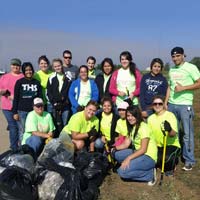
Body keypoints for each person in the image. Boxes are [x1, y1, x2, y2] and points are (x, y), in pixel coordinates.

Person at [165, 47, 200, 171]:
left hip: (185, 105)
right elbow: (170, 86)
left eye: (178, 56)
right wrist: (166, 102)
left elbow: (199, 82)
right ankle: (174, 156)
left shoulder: (191, 68)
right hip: (172, 105)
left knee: (187, 134)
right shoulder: (172, 69)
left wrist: (184, 88)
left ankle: (189, 160)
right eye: (173, 56)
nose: (175, 58)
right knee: (174, 133)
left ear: (183, 56)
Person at [112, 106, 157, 185]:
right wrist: (113, 148)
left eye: (132, 115)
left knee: (122, 172)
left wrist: (128, 158)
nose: (130, 118)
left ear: (138, 116)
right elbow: (126, 144)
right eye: (128, 116)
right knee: (116, 154)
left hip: (148, 156)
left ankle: (149, 174)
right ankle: (134, 165)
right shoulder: (132, 127)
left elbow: (143, 149)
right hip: (138, 152)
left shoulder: (144, 128)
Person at [148, 95, 181, 176]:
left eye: (160, 103)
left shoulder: (170, 115)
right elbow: (150, 136)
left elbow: (173, 134)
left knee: (166, 159)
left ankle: (172, 164)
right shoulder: (150, 118)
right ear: (152, 105)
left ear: (163, 105)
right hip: (157, 146)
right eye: (155, 104)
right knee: (152, 160)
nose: (157, 105)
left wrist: (169, 129)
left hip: (171, 145)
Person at [12, 62, 43, 143]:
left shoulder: (36, 82)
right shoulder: (19, 82)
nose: (28, 72)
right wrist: (15, 112)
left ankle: (32, 148)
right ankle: (22, 149)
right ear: (23, 71)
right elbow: (16, 98)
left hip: (34, 112)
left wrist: (41, 110)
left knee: (34, 131)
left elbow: (40, 98)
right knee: (22, 131)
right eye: (26, 70)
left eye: (30, 70)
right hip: (22, 111)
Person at [0, 58, 23, 150]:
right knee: (13, 127)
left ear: (20, 66)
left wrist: (16, 97)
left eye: (17, 65)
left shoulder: (22, 76)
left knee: (20, 127)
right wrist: (2, 92)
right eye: (13, 65)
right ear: (11, 66)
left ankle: (21, 146)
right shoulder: (4, 77)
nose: (15, 67)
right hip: (7, 107)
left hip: (19, 106)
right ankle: (14, 148)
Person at [47, 58, 71, 136]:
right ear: (53, 67)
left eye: (59, 66)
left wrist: (64, 103)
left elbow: (69, 92)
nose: (57, 68)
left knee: (65, 124)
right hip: (55, 105)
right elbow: (49, 92)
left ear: (62, 65)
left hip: (65, 106)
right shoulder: (51, 77)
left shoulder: (68, 77)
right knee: (56, 125)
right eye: (55, 66)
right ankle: (56, 142)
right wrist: (54, 103)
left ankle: (64, 142)